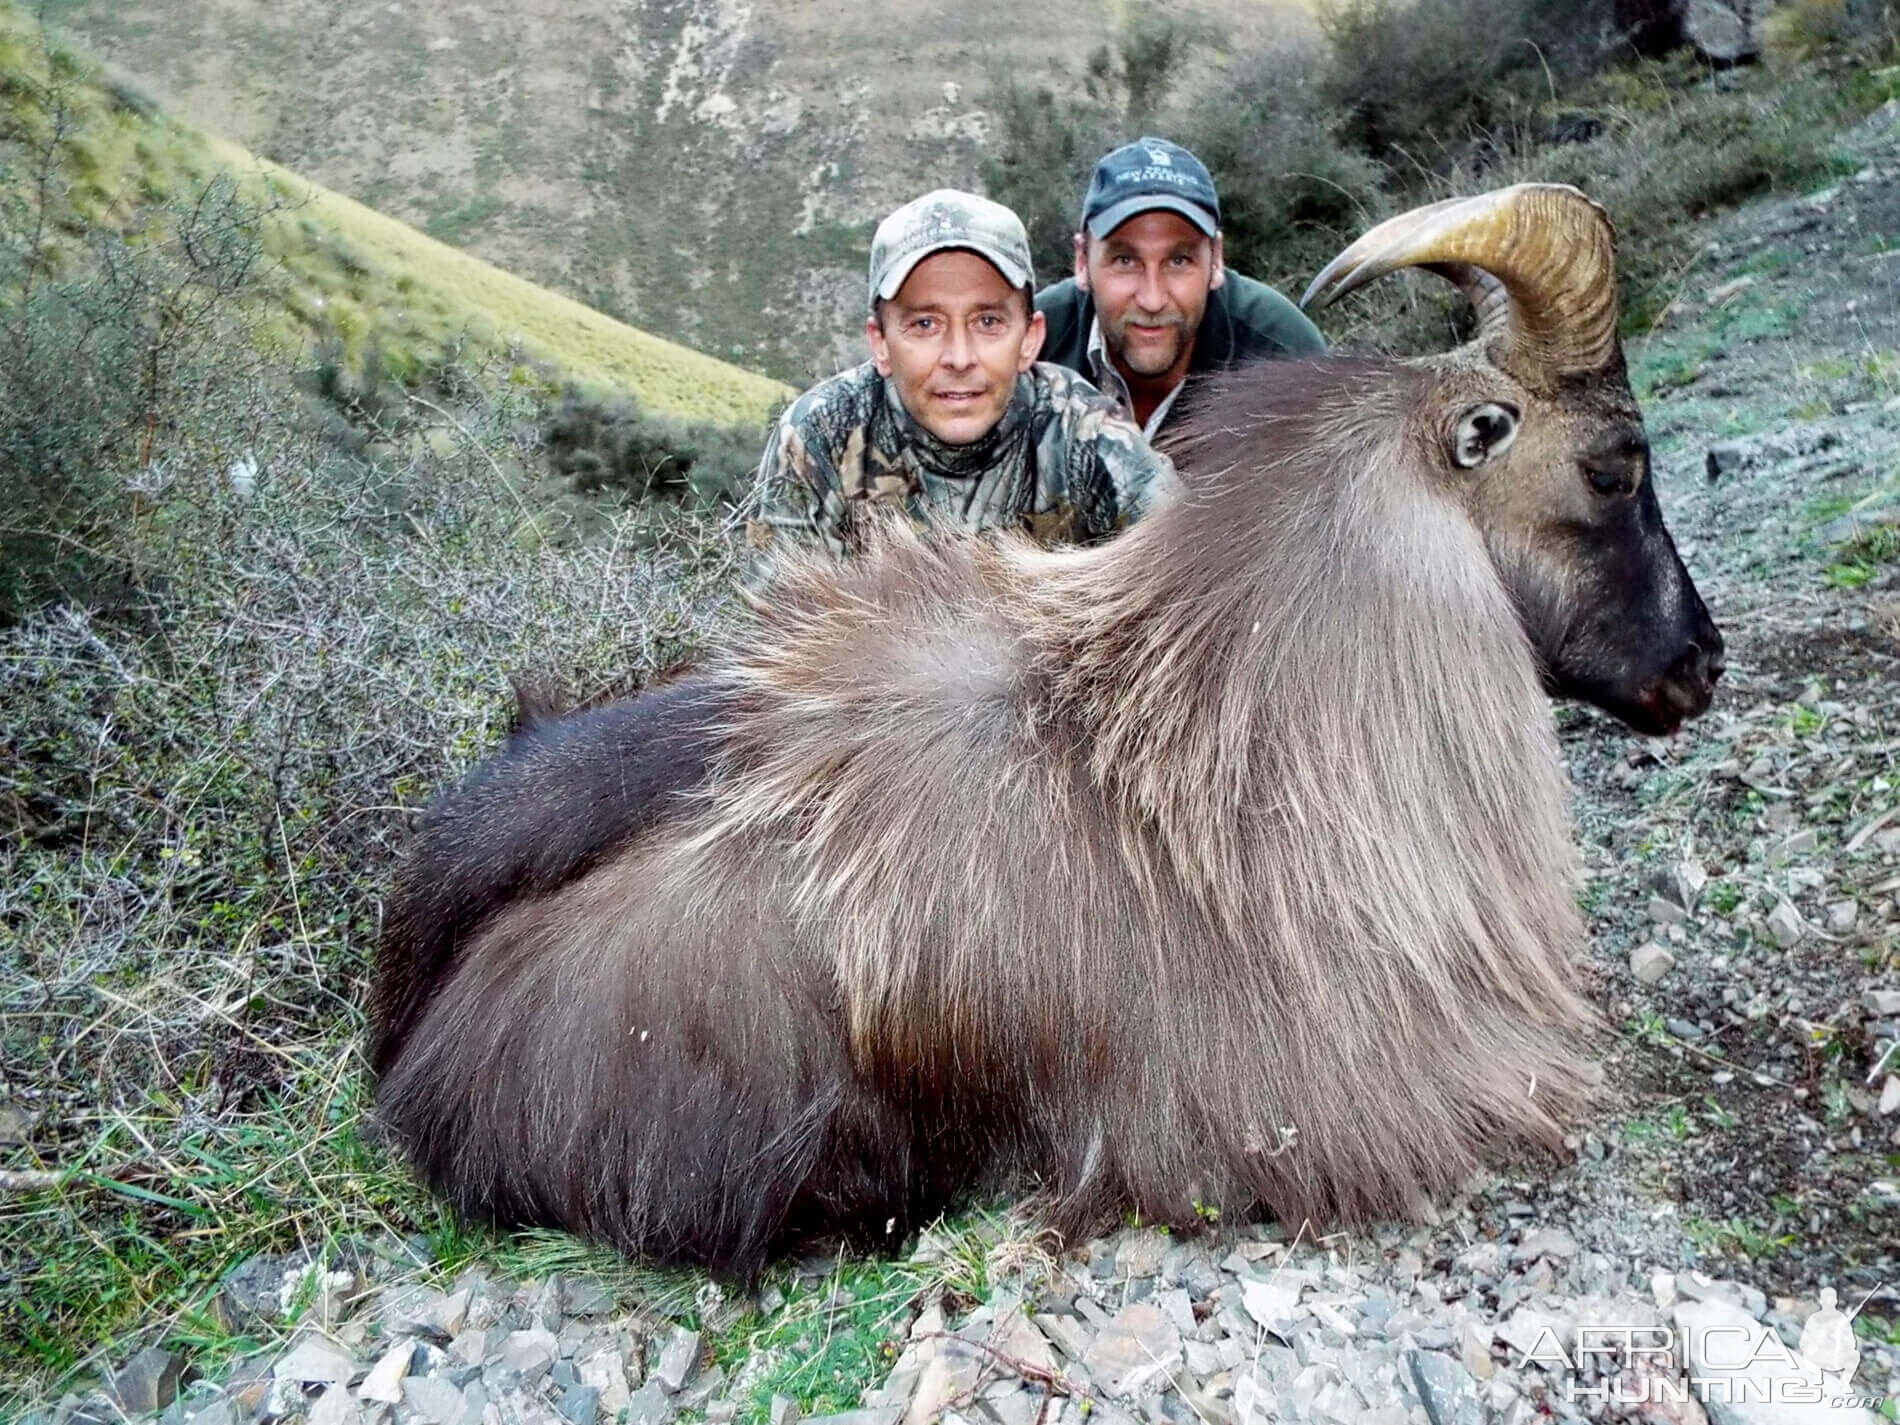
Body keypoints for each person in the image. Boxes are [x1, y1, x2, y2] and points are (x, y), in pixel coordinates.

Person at [746, 189, 1179, 561]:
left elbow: (1190, 576)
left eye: (988, 322)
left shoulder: (1088, 434)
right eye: (925, 324)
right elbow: (773, 631)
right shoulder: (822, 432)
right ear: (880, 343)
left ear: (1030, 338)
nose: (958, 357)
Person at [1036, 136, 1326, 437]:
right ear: (1082, 261)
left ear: (1216, 259)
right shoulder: (1031, 347)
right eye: (1124, 261)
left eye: (1179, 261)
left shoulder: (1285, 354)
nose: (1152, 300)